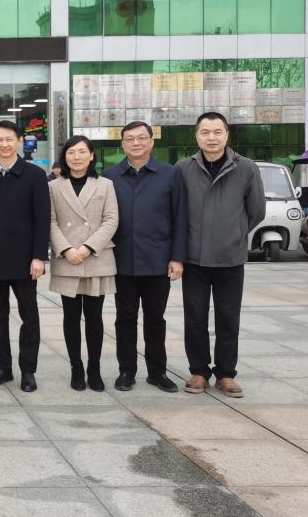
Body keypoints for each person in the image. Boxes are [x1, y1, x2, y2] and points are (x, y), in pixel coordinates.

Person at [177, 111, 265, 398]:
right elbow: (176, 212)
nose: (211, 138)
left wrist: (234, 233)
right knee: (194, 318)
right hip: (194, 258)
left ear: (227, 135)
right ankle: (199, 371)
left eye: (217, 132)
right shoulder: (183, 168)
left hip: (230, 258)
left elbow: (257, 211)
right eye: (205, 132)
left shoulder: (246, 168)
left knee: (228, 318)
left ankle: (226, 373)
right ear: (196, 136)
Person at [104, 121, 188, 393]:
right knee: (125, 318)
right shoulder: (110, 177)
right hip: (122, 261)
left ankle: (157, 372)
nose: (136, 143)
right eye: (130, 139)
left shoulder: (170, 174)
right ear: (122, 144)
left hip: (157, 260)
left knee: (155, 318)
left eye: (142, 138)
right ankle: (126, 371)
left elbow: (180, 217)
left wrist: (177, 257)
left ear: (152, 142)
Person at [0, 121, 49, 392]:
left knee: (29, 315)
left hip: (24, 260)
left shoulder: (35, 175)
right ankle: (3, 368)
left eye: (9, 139)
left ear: (19, 141)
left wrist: (39, 256)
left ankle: (28, 370)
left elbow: (42, 218)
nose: (4, 144)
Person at [49, 135, 119, 392]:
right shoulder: (53, 186)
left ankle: (94, 368)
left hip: (96, 256)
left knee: (94, 316)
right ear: (64, 157)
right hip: (67, 257)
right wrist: (67, 249)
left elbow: (111, 220)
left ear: (91, 156)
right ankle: (76, 367)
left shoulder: (105, 185)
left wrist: (87, 247)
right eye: (71, 152)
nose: (76, 157)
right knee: (70, 316)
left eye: (81, 152)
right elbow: (50, 221)